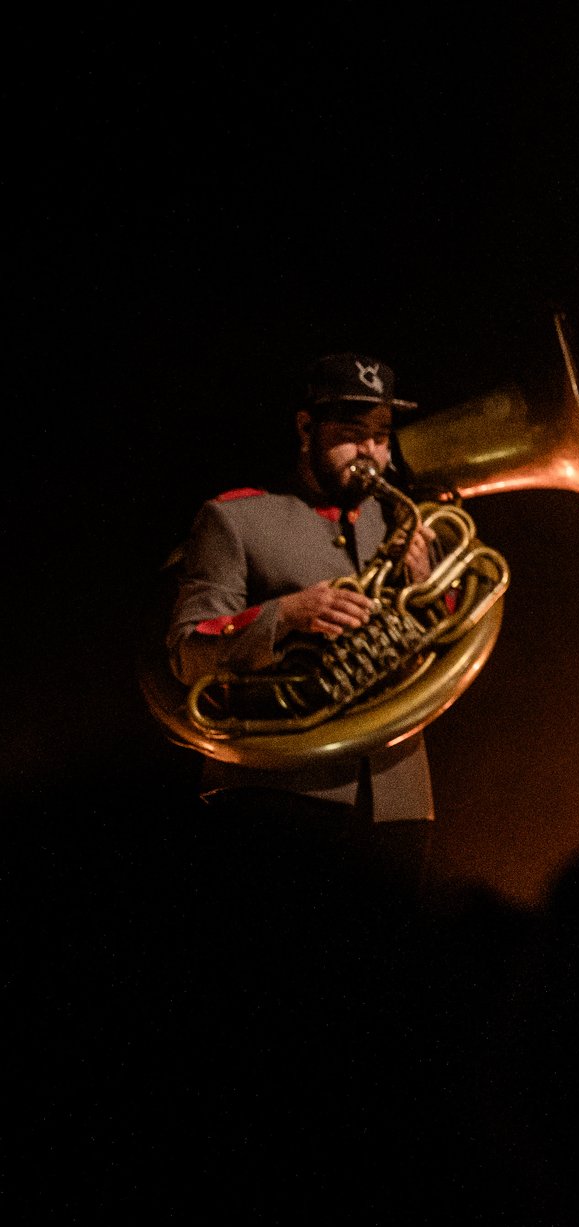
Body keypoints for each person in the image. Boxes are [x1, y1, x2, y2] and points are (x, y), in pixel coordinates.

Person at [165, 353, 437, 879]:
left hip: (399, 797)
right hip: (275, 792)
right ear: (305, 427)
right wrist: (285, 614)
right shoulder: (236, 518)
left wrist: (425, 588)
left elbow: (440, 653)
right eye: (352, 433)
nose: (371, 452)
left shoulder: (405, 522)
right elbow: (185, 654)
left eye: (382, 435)